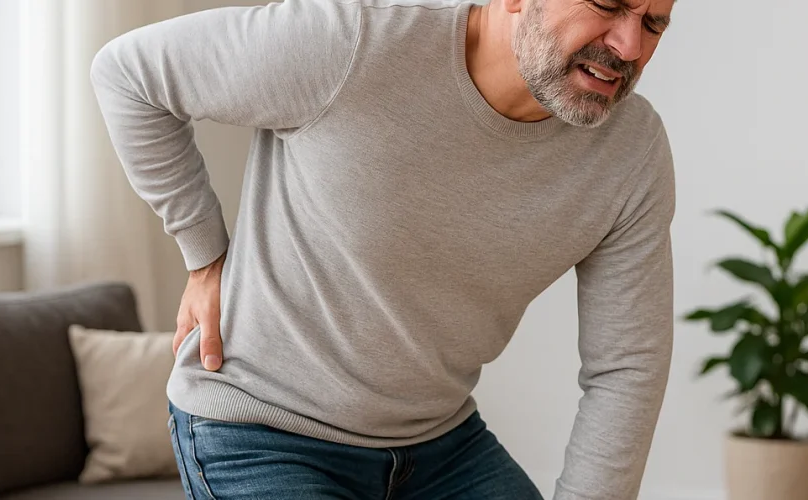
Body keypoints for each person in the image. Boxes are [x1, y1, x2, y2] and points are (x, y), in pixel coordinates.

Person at [90, 0, 676, 497]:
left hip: (442, 447)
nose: (628, 46)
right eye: (608, 3)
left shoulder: (631, 151)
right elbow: (128, 74)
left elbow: (627, 367)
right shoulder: (354, 43)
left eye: (654, 23)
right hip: (259, 430)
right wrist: (205, 255)